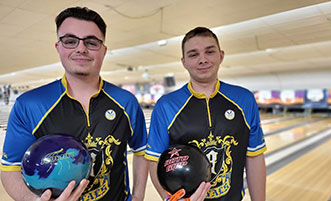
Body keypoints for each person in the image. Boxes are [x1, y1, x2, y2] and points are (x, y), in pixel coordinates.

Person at [0, 7, 148, 201]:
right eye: (70, 41)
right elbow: (10, 167)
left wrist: (138, 196)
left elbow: (141, 151)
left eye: (91, 42)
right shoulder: (29, 104)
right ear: (58, 47)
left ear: (103, 51)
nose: (81, 48)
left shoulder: (126, 101)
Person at [145, 27, 267, 201]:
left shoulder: (244, 99)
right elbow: (155, 160)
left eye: (209, 51)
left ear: (221, 55)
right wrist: (170, 199)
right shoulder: (166, 105)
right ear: (184, 62)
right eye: (193, 54)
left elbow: (254, 156)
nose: (203, 59)